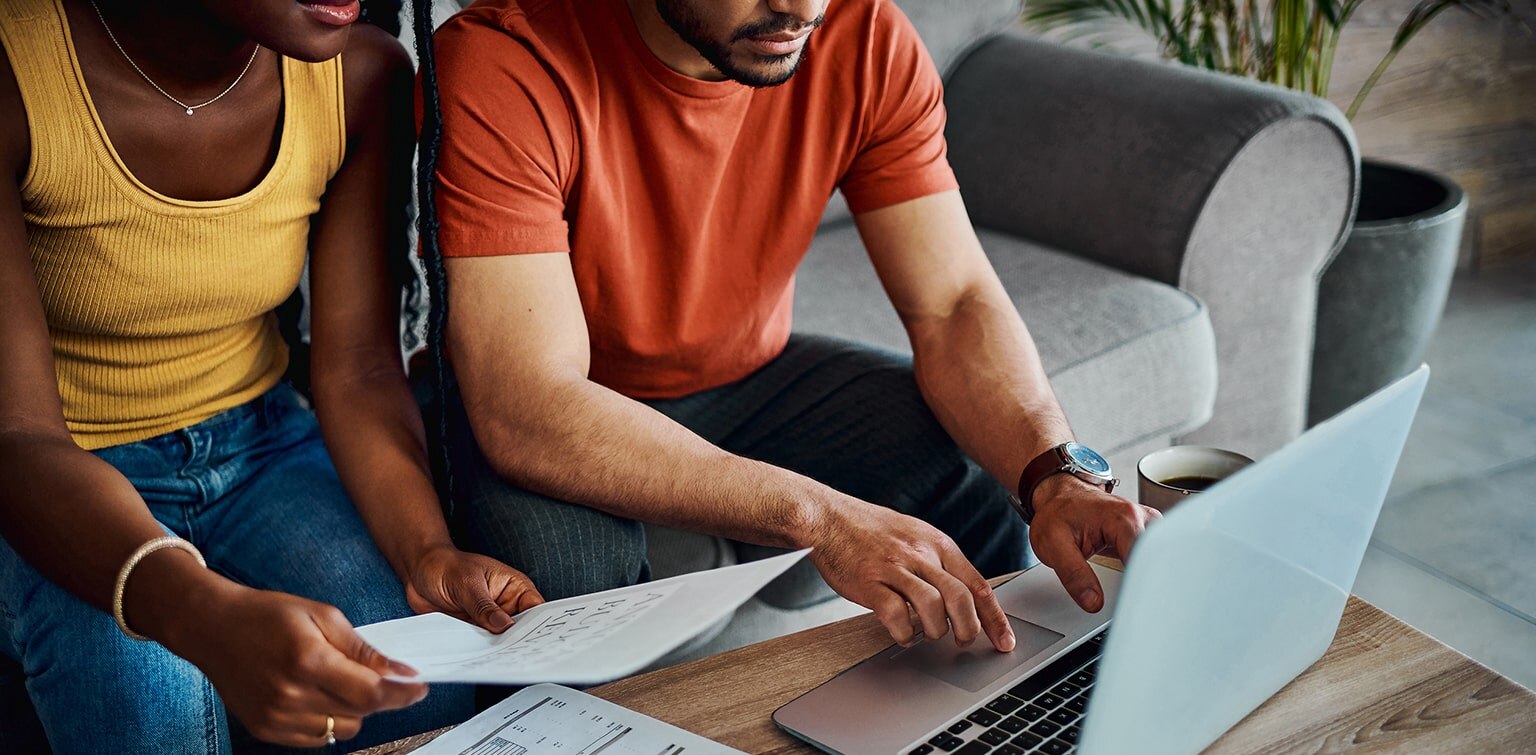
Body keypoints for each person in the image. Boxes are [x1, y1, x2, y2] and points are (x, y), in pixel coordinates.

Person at [416, 0, 1161, 656]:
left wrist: (1053, 477)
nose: (800, 8)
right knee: (570, 592)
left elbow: (954, 302)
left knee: (966, 470)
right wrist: (821, 517)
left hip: (751, 377)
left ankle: (1002, 716)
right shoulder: (506, 60)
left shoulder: (864, 36)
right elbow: (528, 405)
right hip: (565, 397)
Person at [0, 0, 543, 751]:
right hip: (61, 472)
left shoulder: (360, 74)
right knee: (155, 714)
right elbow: (17, 435)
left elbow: (356, 366)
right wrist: (201, 613)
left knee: (412, 682)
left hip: (261, 441)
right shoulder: (16, 72)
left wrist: (427, 552)